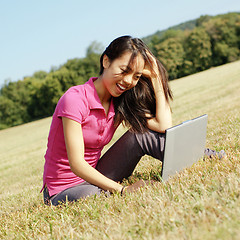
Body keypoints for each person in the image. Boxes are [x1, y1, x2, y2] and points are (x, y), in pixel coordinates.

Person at [41, 36, 225, 206]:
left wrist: (156, 78)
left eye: (136, 76)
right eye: (123, 71)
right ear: (106, 61)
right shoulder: (75, 99)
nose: (128, 81)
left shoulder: (120, 101)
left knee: (141, 134)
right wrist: (123, 190)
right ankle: (106, 191)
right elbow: (77, 164)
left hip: (95, 173)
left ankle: (202, 155)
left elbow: (163, 125)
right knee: (93, 195)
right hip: (63, 189)